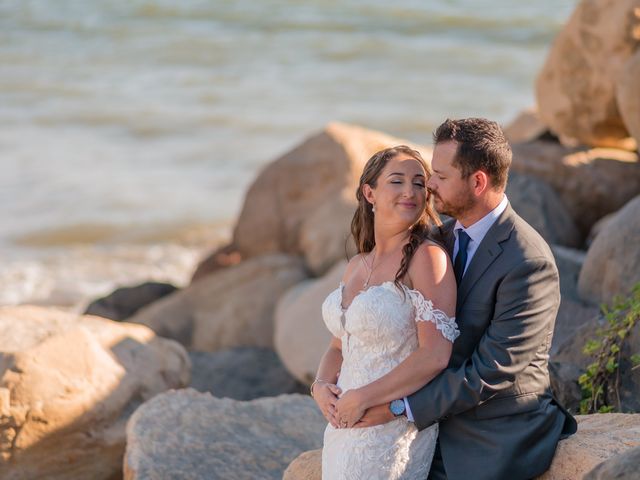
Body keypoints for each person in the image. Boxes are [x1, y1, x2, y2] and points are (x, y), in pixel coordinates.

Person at [353, 118, 578, 480]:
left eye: (441, 176)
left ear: (478, 182)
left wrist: (399, 407)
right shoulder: (438, 239)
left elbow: (491, 371)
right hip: (434, 414)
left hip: (493, 428)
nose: (429, 185)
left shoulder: (527, 262)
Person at [312, 145, 460, 479]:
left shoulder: (427, 258)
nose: (410, 191)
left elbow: (435, 355)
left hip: (391, 431)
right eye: (397, 181)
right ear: (369, 192)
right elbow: (339, 346)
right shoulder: (355, 266)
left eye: (420, 183)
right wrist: (320, 385)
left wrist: (364, 398)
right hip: (343, 430)